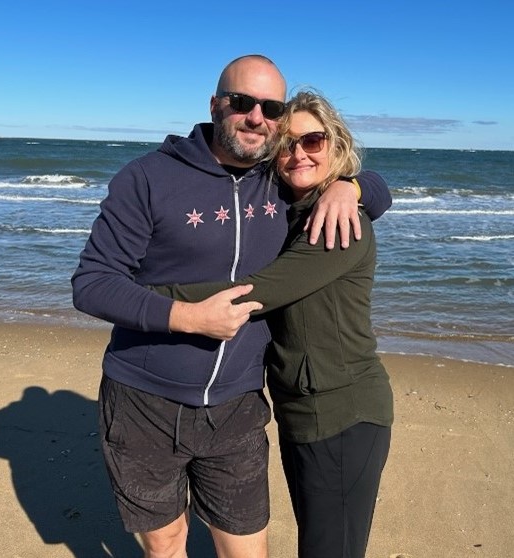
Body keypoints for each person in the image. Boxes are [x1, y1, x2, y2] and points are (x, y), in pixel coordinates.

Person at [71, 55, 391, 558]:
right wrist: (186, 317)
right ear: (216, 103)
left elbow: (360, 180)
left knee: (247, 550)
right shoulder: (149, 178)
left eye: (271, 108)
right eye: (242, 103)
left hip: (239, 404)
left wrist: (353, 187)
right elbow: (92, 283)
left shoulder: (282, 181)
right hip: (143, 398)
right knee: (166, 544)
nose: (256, 117)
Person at [149, 90, 394, 558]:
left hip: (343, 412)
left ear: (336, 144)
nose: (298, 153)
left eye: (314, 141)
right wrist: (357, 184)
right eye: (286, 144)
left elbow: (256, 292)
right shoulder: (291, 208)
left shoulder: (341, 225)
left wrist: (148, 297)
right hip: (300, 408)